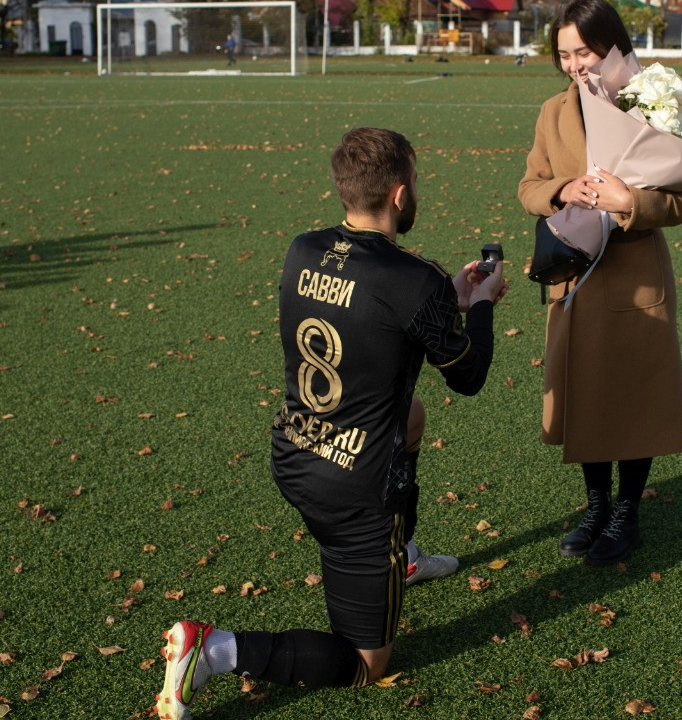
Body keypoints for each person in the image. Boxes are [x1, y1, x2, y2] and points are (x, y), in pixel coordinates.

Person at [156, 127, 507, 719]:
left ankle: (407, 555)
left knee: (411, 417)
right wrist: (482, 310)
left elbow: (367, 316)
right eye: (414, 182)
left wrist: (447, 301)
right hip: (353, 489)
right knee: (367, 665)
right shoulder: (412, 277)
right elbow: (467, 376)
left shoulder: (302, 248)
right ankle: (212, 650)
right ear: (399, 194)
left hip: (295, 450)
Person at [518, 0, 682, 567]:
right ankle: (595, 505)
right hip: (575, 276)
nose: (574, 65)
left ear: (613, 46)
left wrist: (630, 202)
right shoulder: (552, 112)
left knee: (634, 396)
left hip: (636, 273)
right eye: (564, 54)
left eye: (585, 52)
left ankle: (627, 511)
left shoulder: (654, 104)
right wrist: (561, 190)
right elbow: (529, 186)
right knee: (586, 393)